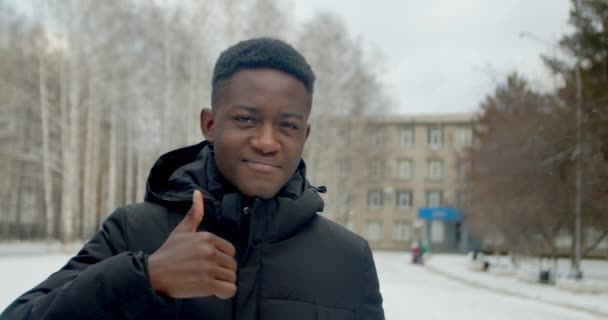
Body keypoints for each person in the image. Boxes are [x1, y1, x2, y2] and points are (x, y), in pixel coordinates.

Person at [0, 38, 384, 319]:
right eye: (246, 119)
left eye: (287, 125)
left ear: (304, 136)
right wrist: (144, 278)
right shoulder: (135, 232)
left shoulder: (349, 259)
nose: (267, 141)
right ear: (210, 124)